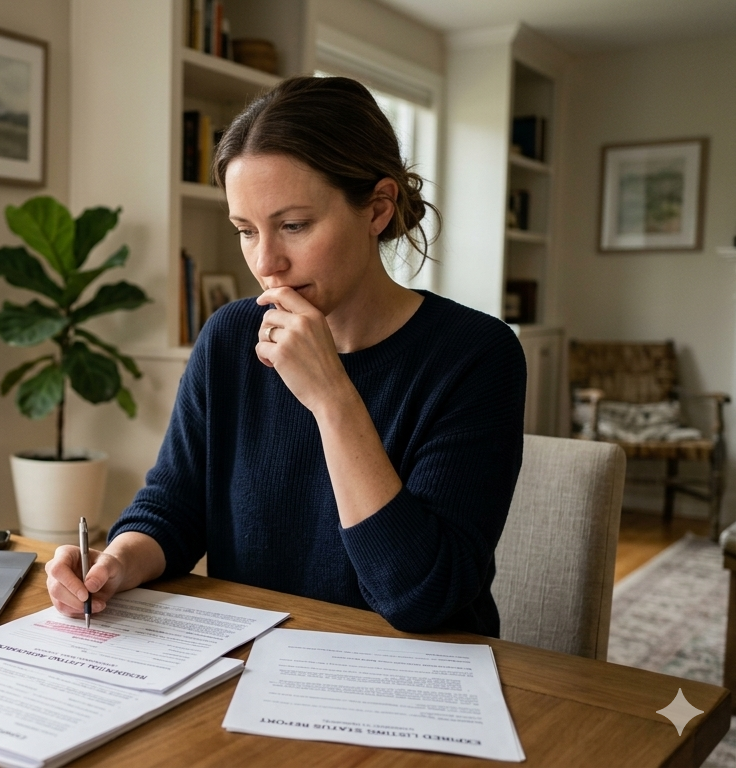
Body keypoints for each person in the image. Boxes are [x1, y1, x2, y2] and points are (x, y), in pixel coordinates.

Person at [45, 76, 526, 636]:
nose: (266, 262)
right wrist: (116, 562)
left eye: (293, 226)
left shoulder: (476, 356)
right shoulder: (231, 336)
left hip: (416, 683)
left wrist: (331, 396)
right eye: (245, 231)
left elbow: (421, 597)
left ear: (377, 208)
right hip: (255, 664)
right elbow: (174, 508)